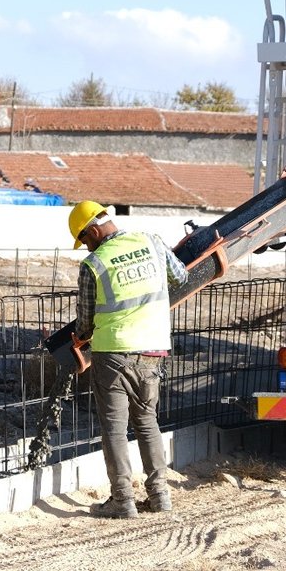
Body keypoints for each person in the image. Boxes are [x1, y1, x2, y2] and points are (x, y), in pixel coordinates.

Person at [67, 200, 188, 518]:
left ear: (93, 230)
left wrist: (79, 337)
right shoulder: (152, 241)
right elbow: (181, 277)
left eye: (84, 240)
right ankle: (160, 496)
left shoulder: (94, 263)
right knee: (148, 423)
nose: (86, 247)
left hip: (113, 354)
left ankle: (123, 501)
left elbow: (85, 321)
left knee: (115, 429)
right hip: (153, 351)